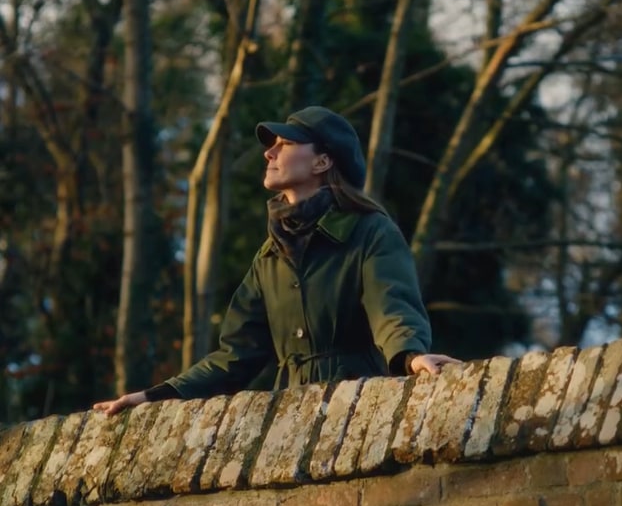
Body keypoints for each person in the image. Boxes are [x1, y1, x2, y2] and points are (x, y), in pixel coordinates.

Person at [95, 106, 459, 415]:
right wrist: (154, 396)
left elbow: (392, 308)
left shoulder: (371, 232)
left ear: (322, 160)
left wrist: (411, 356)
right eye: (271, 146)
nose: (269, 154)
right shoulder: (270, 256)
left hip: (359, 409)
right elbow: (235, 357)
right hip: (289, 419)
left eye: (285, 144)